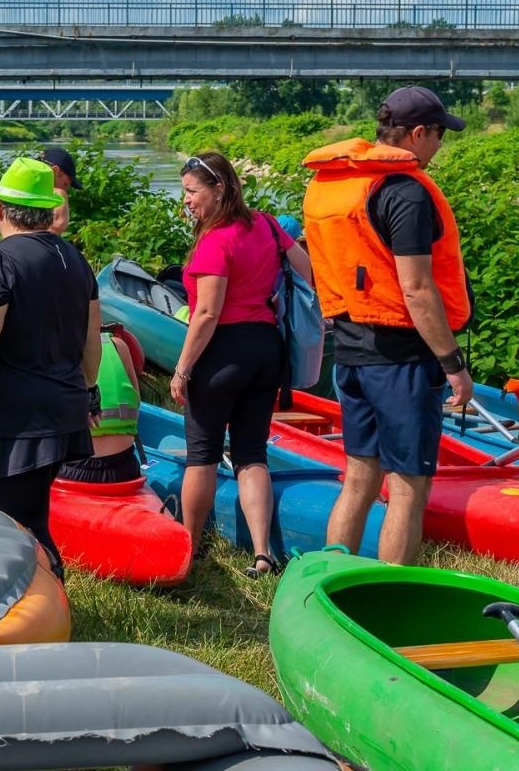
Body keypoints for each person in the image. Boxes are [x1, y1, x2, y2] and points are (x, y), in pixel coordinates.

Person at [302, 86, 473, 567]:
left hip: (352, 352)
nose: (440, 146)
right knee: (408, 487)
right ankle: (394, 594)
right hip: (402, 359)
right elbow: (417, 290)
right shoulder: (404, 193)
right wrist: (453, 363)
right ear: (418, 134)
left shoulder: (333, 183)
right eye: (439, 135)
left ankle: (327, 577)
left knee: (359, 476)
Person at [0, 159, 101, 577]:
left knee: (13, 524)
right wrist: (88, 389)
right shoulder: (74, 258)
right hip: (61, 408)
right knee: (33, 515)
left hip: (11, 416)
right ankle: (45, 600)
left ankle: (37, 607)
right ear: (48, 210)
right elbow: (90, 337)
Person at [171, 151, 313, 578]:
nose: (187, 202)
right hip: (265, 349)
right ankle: (262, 554)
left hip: (222, 354)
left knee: (202, 455)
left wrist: (181, 369)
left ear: (219, 189)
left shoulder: (216, 240)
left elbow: (207, 314)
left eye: (193, 193)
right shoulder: (268, 224)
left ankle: (188, 549)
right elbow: (307, 272)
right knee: (252, 453)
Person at [58, 330, 141, 484]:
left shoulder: (50, 349)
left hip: (72, 472)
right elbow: (137, 403)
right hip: (124, 469)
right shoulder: (118, 346)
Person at [39, 145, 79, 235]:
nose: (66, 189)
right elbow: (55, 228)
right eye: (65, 183)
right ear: (55, 170)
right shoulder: (59, 194)